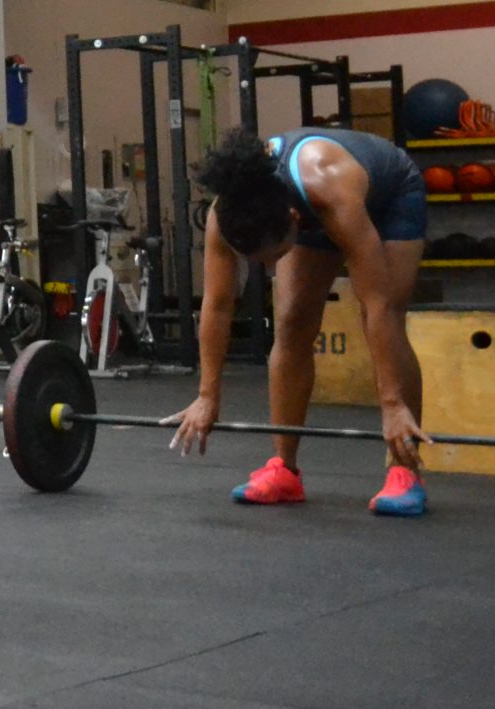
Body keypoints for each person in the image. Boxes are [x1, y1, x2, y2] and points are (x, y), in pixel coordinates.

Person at [170, 126, 430, 515]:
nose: (270, 268)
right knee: (292, 321)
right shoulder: (224, 216)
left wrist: (391, 404)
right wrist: (207, 395)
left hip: (390, 195)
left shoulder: (328, 185)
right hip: (313, 207)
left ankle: (404, 471)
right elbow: (218, 304)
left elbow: (377, 303)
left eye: (276, 256)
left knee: (385, 311)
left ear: (293, 219)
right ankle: (284, 469)